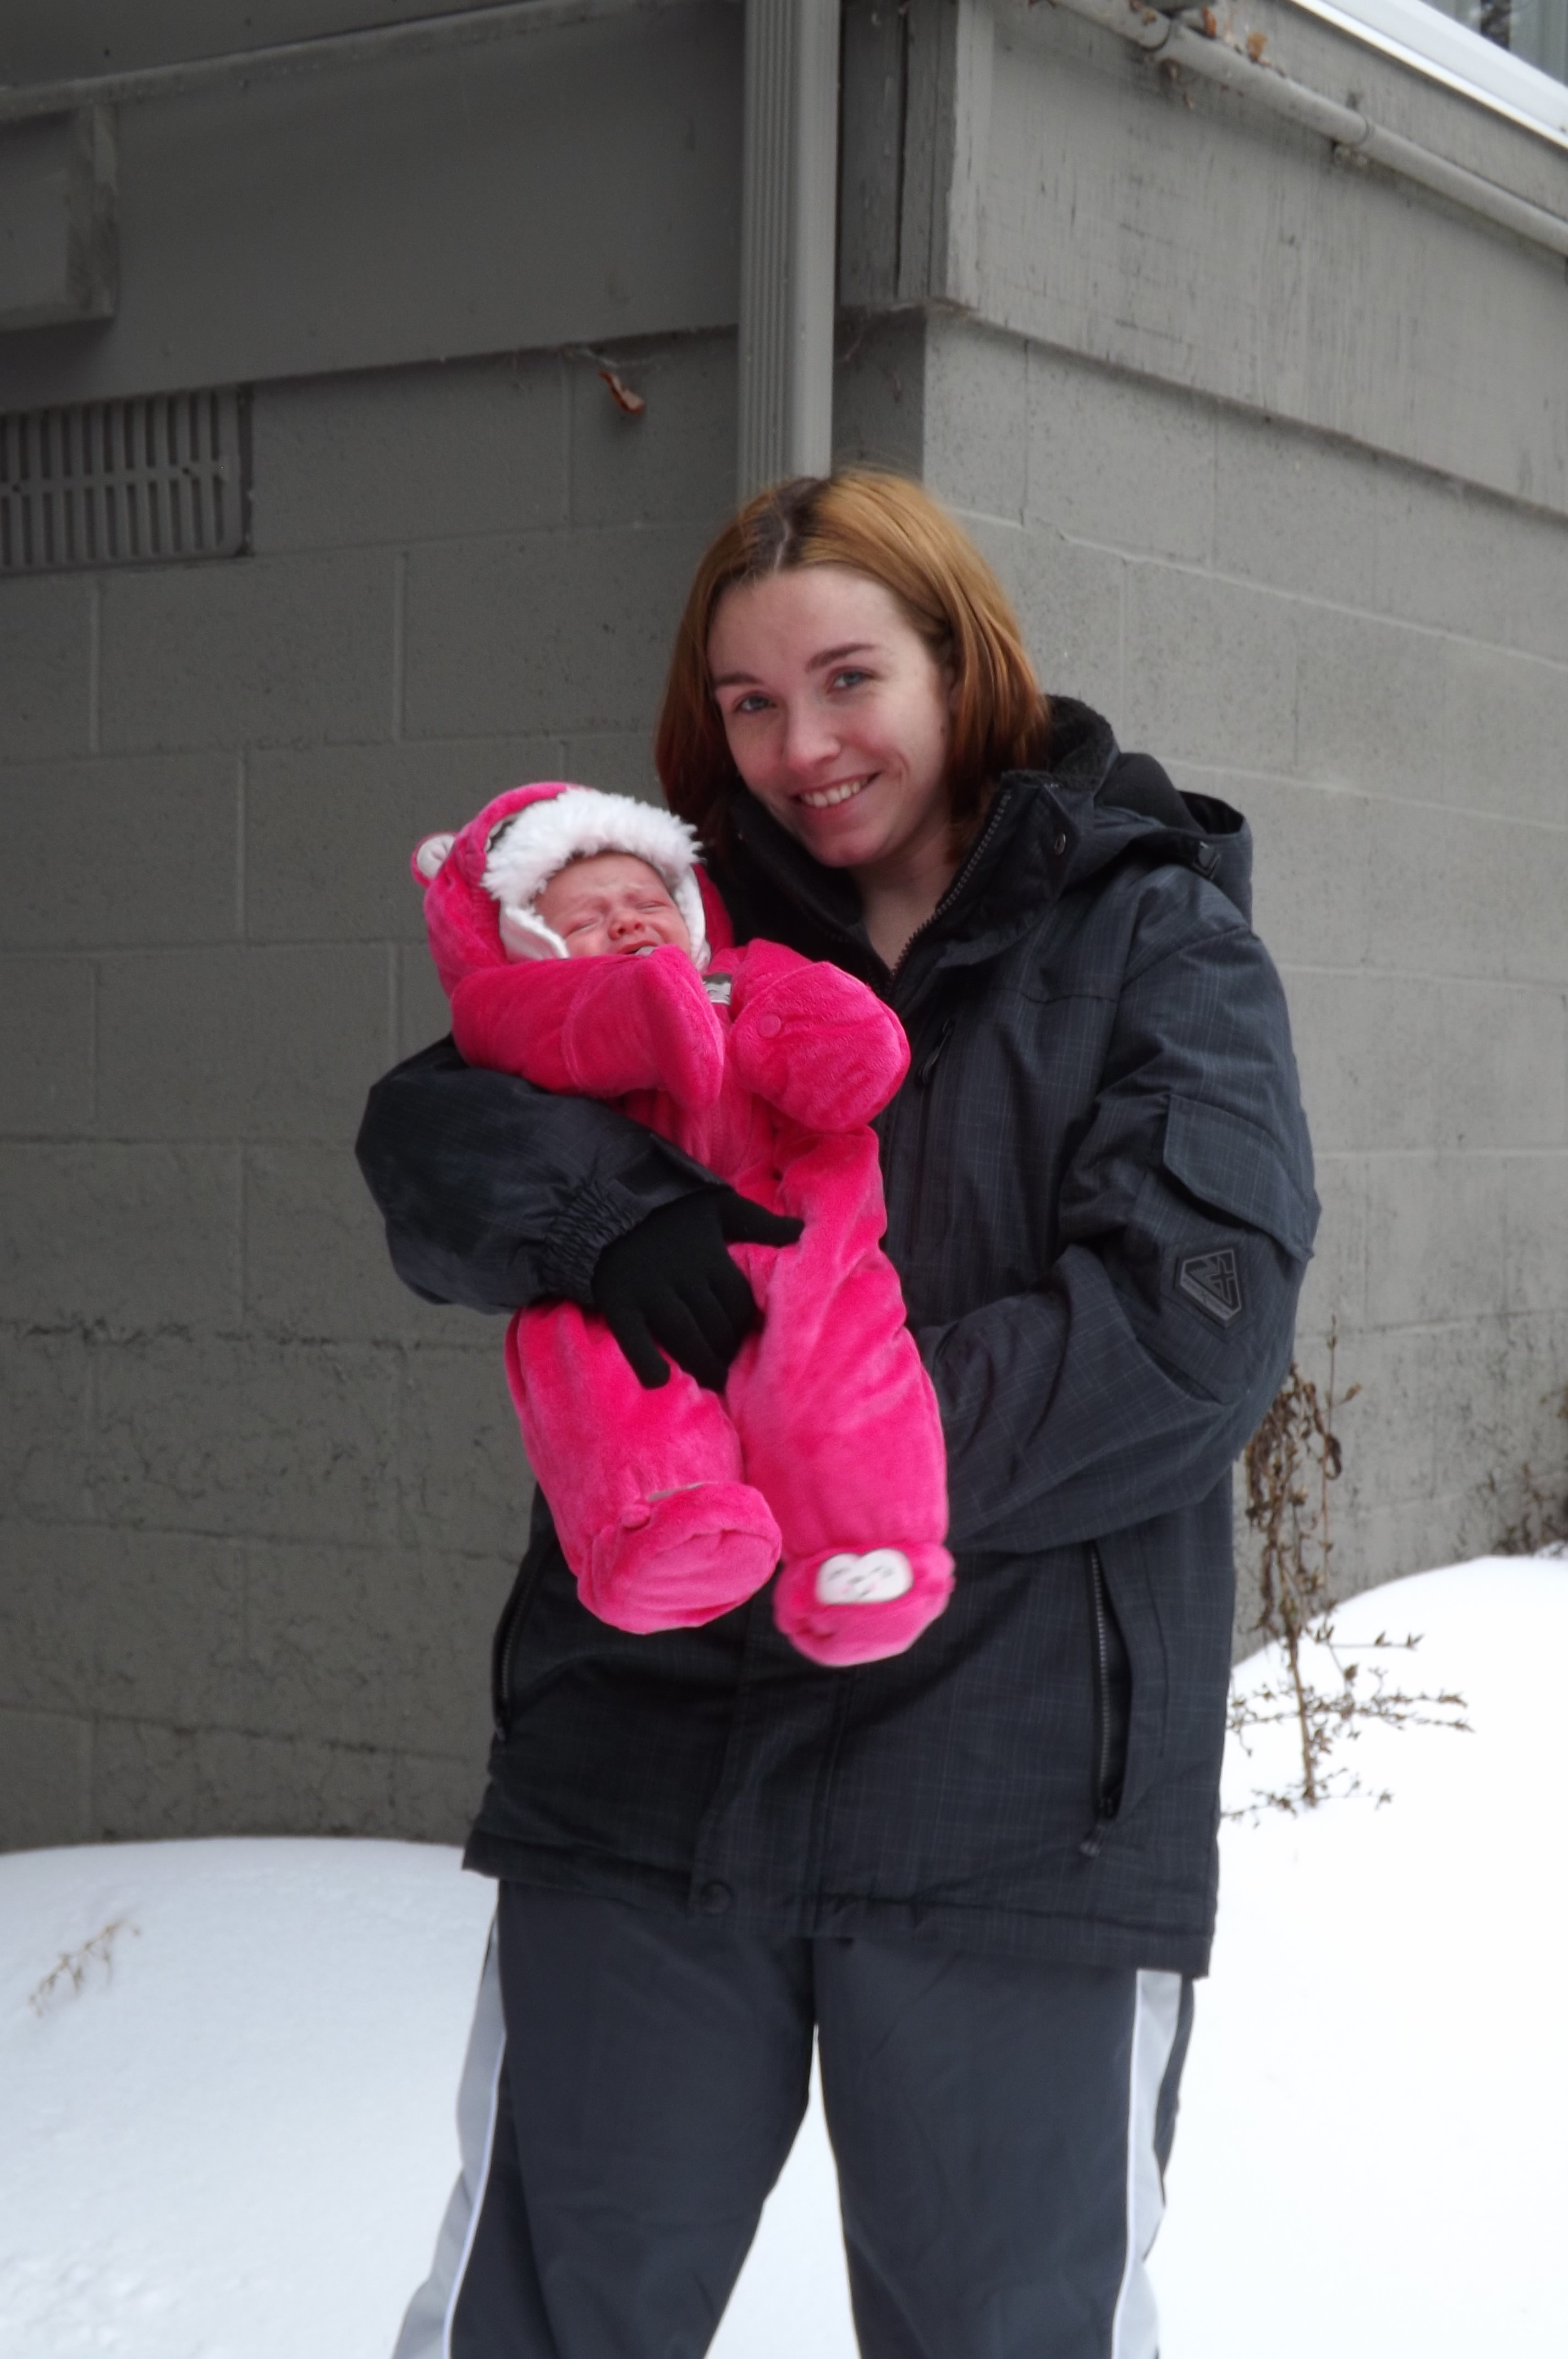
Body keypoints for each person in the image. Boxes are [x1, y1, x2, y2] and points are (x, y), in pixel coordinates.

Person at [357, 471, 1318, 2359]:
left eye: (847, 677)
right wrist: (602, 1211)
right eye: (745, 701)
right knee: (545, 2318)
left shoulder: (1152, 941)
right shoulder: (652, 924)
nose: (799, 746)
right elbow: (427, 1137)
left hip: (1013, 1792)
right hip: (648, 1765)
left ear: (961, 662)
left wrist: (804, 1431)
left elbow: (1181, 1339)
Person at [410, 779, 953, 1666]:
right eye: (587, 917)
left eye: (648, 902)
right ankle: (663, 1529)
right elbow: (545, 1031)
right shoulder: (519, 1010)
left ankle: (869, 1550)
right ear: (527, 940)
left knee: (845, 1369)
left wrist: (834, 1051)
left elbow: (807, 1017)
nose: (627, 922)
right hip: (614, 1262)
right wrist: (645, 1006)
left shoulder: (744, 972)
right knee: (601, 1377)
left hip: (798, 1236)